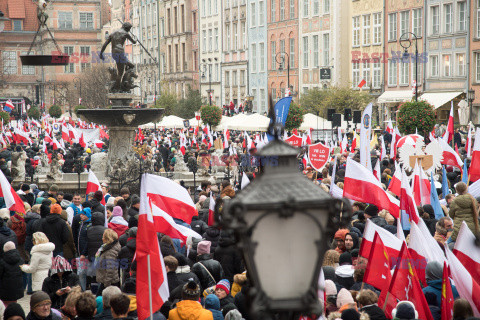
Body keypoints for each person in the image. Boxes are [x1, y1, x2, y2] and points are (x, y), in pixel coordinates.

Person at [95, 229, 121, 295]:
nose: (102, 238)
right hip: (108, 281)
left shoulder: (110, 251)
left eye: (103, 236)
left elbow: (110, 269)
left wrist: (106, 284)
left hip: (109, 282)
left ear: (108, 238)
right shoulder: (108, 248)